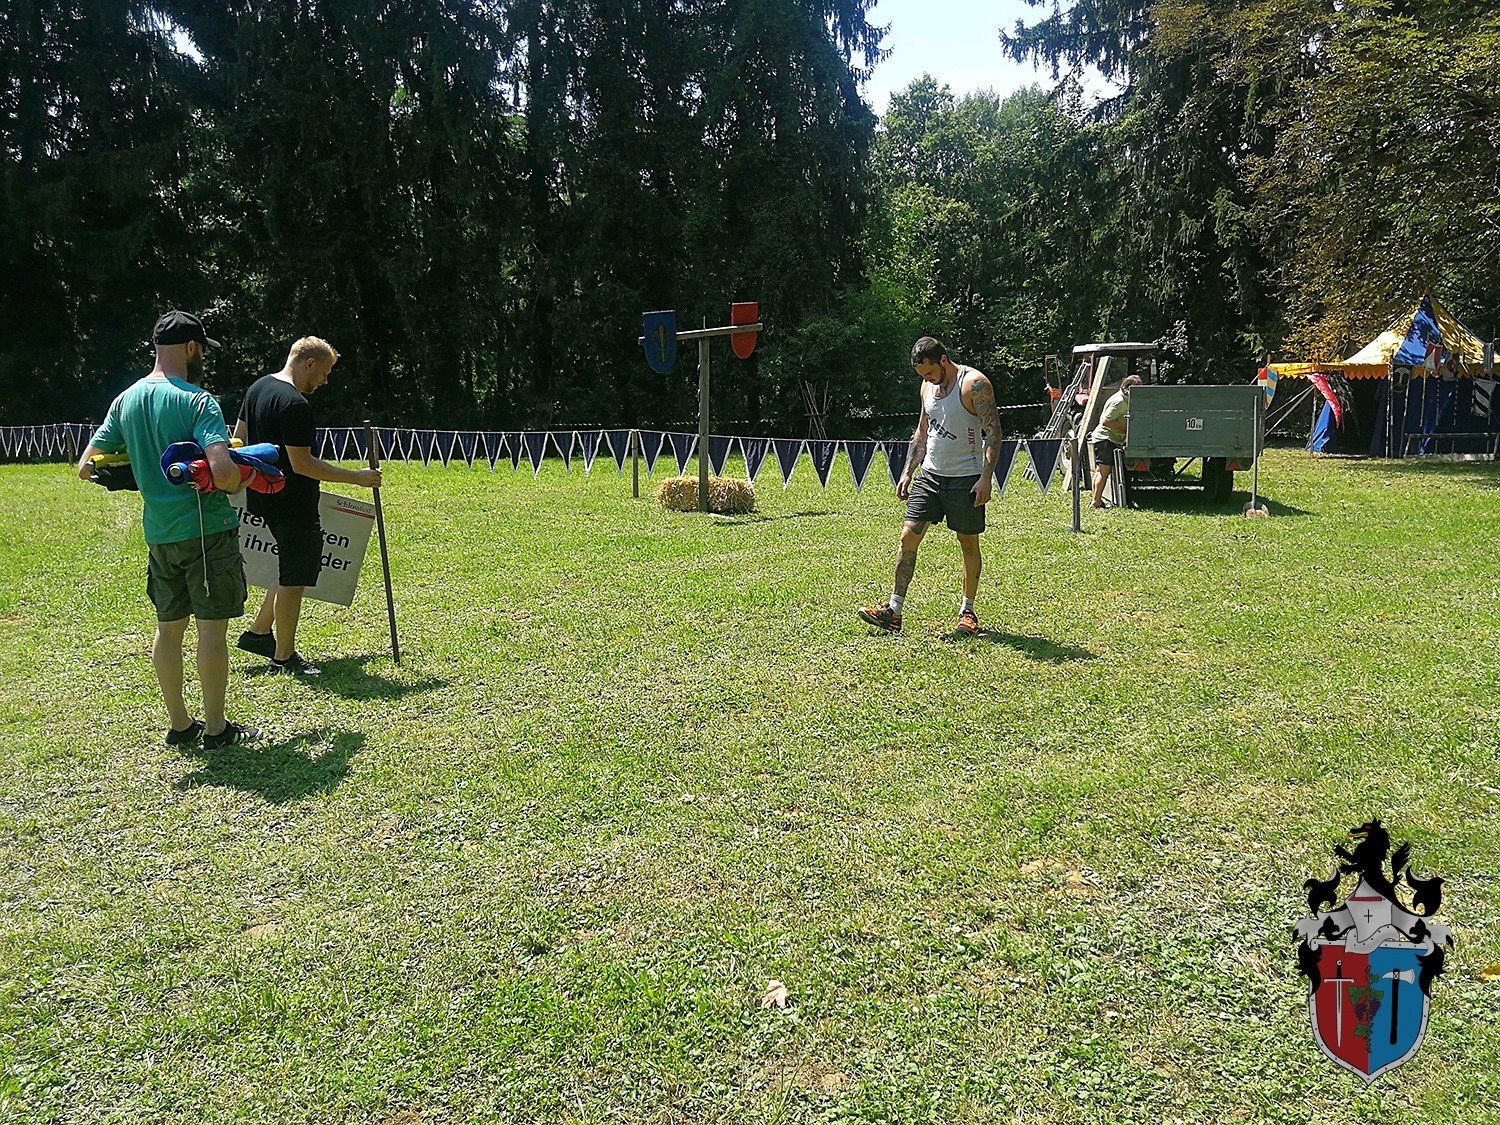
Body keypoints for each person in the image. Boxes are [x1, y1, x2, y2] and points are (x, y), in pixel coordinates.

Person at [76, 311, 262, 749]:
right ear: (193, 348)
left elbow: (87, 467)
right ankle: (216, 729)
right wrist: (247, 473)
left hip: (158, 535)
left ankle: (179, 725)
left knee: (169, 628)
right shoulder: (199, 401)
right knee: (211, 630)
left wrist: (132, 471)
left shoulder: (125, 400)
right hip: (207, 531)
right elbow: (224, 473)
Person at [233, 337, 381, 675]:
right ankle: (283, 658)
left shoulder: (258, 388)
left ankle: (258, 633)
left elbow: (239, 441)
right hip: (292, 502)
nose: (325, 381)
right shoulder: (295, 405)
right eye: (325, 373)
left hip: (262, 495)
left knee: (290, 567)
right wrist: (356, 477)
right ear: (309, 364)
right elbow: (302, 464)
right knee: (295, 579)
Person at [858, 337, 1004, 637]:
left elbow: (993, 432)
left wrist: (986, 477)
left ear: (943, 360)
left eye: (929, 373)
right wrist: (908, 472)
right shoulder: (926, 387)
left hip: (966, 477)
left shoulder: (974, 384)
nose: (927, 380)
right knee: (908, 536)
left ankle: (968, 612)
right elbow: (922, 432)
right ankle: (894, 611)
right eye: (921, 376)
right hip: (930, 475)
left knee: (967, 543)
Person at [1090, 374, 1141, 509]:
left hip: (1109, 438)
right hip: (1105, 438)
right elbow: (1105, 421)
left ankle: (1097, 500)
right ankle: (1096, 503)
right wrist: (1125, 430)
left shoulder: (1125, 399)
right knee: (1104, 471)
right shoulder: (1119, 401)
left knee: (1100, 470)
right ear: (1129, 389)